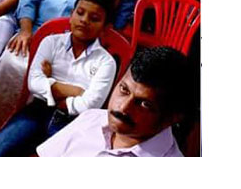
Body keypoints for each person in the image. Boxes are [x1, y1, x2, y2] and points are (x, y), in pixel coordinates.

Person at [0, 0, 117, 156]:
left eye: (94, 19)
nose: (84, 20)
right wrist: (76, 91)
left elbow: (90, 105)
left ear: (106, 27)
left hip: (74, 122)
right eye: (80, 13)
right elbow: (34, 82)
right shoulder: (51, 42)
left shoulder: (106, 62)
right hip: (38, 110)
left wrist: (49, 82)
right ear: (71, 15)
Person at [37, 46, 187, 157]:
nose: (123, 107)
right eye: (124, 90)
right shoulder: (92, 118)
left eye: (144, 104)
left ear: (172, 118)